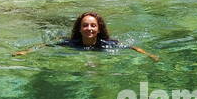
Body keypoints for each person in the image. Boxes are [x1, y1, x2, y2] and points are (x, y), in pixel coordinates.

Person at [14, 12, 159, 60]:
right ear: (79, 28)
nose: (89, 28)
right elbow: (45, 45)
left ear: (99, 29)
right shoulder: (71, 43)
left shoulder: (106, 44)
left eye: (93, 25)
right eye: (85, 25)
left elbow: (132, 47)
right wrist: (25, 51)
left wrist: (149, 55)